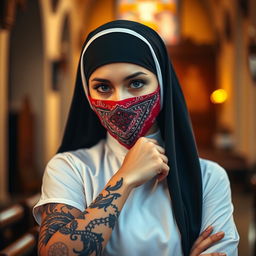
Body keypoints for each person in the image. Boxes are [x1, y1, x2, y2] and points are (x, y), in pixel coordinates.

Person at [33, 20, 239, 256]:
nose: (120, 101)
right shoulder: (70, 168)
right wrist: (125, 178)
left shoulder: (208, 177)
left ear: (161, 86)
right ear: (87, 95)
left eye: (136, 83)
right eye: (103, 87)